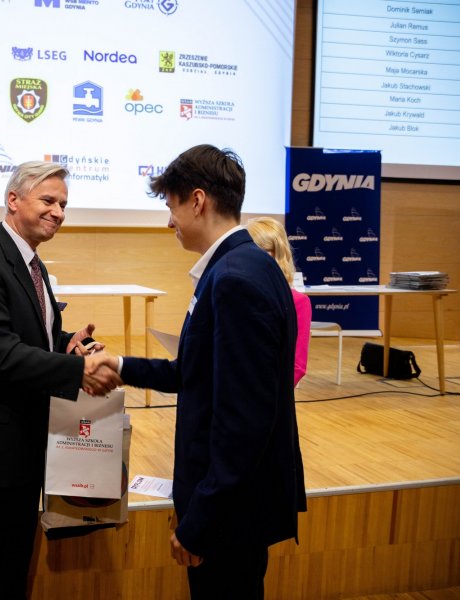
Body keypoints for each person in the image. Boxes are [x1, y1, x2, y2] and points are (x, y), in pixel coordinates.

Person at [101, 145, 306, 599]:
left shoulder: (234, 279)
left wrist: (201, 521)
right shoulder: (245, 265)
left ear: (197, 201)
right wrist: (118, 365)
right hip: (234, 507)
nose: (168, 222)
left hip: (230, 515)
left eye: (171, 206)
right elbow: (192, 373)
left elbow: (243, 424)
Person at [0, 160, 120, 598]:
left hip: (18, 454)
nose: (59, 212)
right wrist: (79, 370)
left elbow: (31, 337)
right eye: (48, 200)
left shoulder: (31, 264)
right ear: (13, 200)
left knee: (10, 578)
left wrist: (68, 345)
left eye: (64, 204)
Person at [247, 216, 312, 386]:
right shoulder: (235, 293)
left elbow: (297, 366)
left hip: (270, 393)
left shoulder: (298, 302)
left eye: (262, 250)